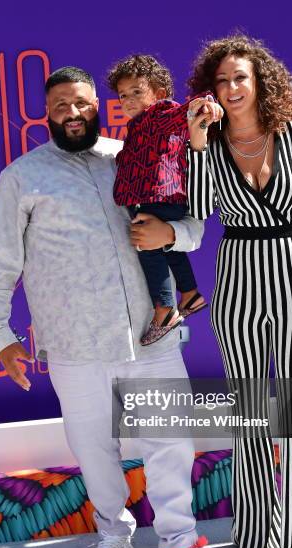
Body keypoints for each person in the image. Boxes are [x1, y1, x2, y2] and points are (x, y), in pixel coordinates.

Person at [0, 66, 235, 548]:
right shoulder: (22, 177)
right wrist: (0, 336)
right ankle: (113, 532)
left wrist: (175, 232)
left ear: (100, 106)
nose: (74, 113)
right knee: (94, 447)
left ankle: (181, 547)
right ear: (47, 115)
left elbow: (196, 221)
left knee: (170, 443)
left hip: (152, 333)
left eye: (83, 103)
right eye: (61, 106)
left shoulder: (135, 153)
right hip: (75, 344)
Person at [185, 35, 292, 548]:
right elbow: (201, 207)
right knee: (250, 411)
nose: (232, 89)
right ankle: (258, 534)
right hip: (237, 284)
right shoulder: (208, 141)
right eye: (222, 81)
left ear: (260, 82)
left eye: (240, 78)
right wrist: (198, 141)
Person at [107, 55, 222, 345]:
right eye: (123, 95)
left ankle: (165, 308)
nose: (129, 100)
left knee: (147, 245)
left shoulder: (160, 113)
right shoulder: (137, 126)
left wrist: (204, 106)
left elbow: (184, 113)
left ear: (158, 93)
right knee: (168, 249)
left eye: (137, 91)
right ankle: (191, 293)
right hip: (158, 196)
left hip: (159, 194)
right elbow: (134, 155)